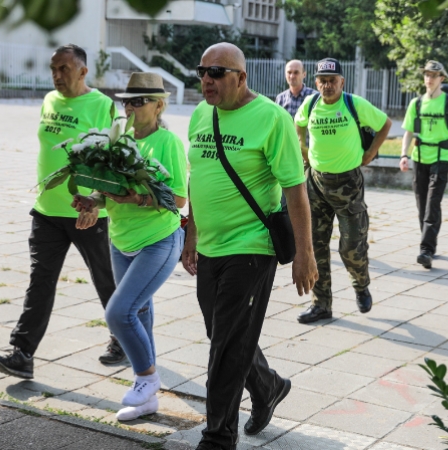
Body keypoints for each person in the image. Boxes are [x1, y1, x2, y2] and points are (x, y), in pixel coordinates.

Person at [181, 43, 318, 450]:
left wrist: (305, 254)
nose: (207, 79)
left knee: (225, 345)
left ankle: (218, 436)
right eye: (202, 70)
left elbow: (295, 190)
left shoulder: (272, 119)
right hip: (211, 247)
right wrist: (191, 235)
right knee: (222, 332)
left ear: (241, 78)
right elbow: (196, 176)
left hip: (253, 247)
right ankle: (267, 385)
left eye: (217, 72)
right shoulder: (200, 116)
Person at [0, 44, 122, 380]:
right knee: (40, 282)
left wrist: (95, 199)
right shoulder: (49, 100)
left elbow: (114, 159)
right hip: (47, 211)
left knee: (106, 281)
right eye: (53, 69)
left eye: (64, 68)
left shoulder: (103, 105)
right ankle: (22, 353)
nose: (56, 75)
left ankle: (124, 338)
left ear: (82, 71)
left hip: (88, 213)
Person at [72, 72, 187, 422]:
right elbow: (109, 190)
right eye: (127, 101)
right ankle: (148, 400)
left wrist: (135, 196)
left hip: (158, 241)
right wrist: (93, 202)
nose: (131, 107)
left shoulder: (167, 142)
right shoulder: (117, 139)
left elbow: (179, 199)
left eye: (139, 101)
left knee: (118, 313)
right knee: (139, 314)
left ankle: (147, 380)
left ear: (159, 105)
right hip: (120, 241)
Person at [294, 57, 392, 324]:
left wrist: (371, 151)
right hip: (315, 184)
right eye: (323, 81)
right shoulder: (310, 104)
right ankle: (321, 304)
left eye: (332, 81)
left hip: (348, 185)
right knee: (315, 247)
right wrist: (302, 148)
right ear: (316, 82)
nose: (328, 86)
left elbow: (385, 124)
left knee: (351, 246)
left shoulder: (353, 104)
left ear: (341, 82)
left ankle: (361, 286)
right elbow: (298, 124)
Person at [399, 61, 448, 269]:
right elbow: (408, 132)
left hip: (441, 158)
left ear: (441, 79)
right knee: (422, 204)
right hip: (419, 158)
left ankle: (426, 250)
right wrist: (403, 155)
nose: (429, 79)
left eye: (434, 75)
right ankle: (430, 242)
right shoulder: (416, 104)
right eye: (427, 74)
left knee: (432, 203)